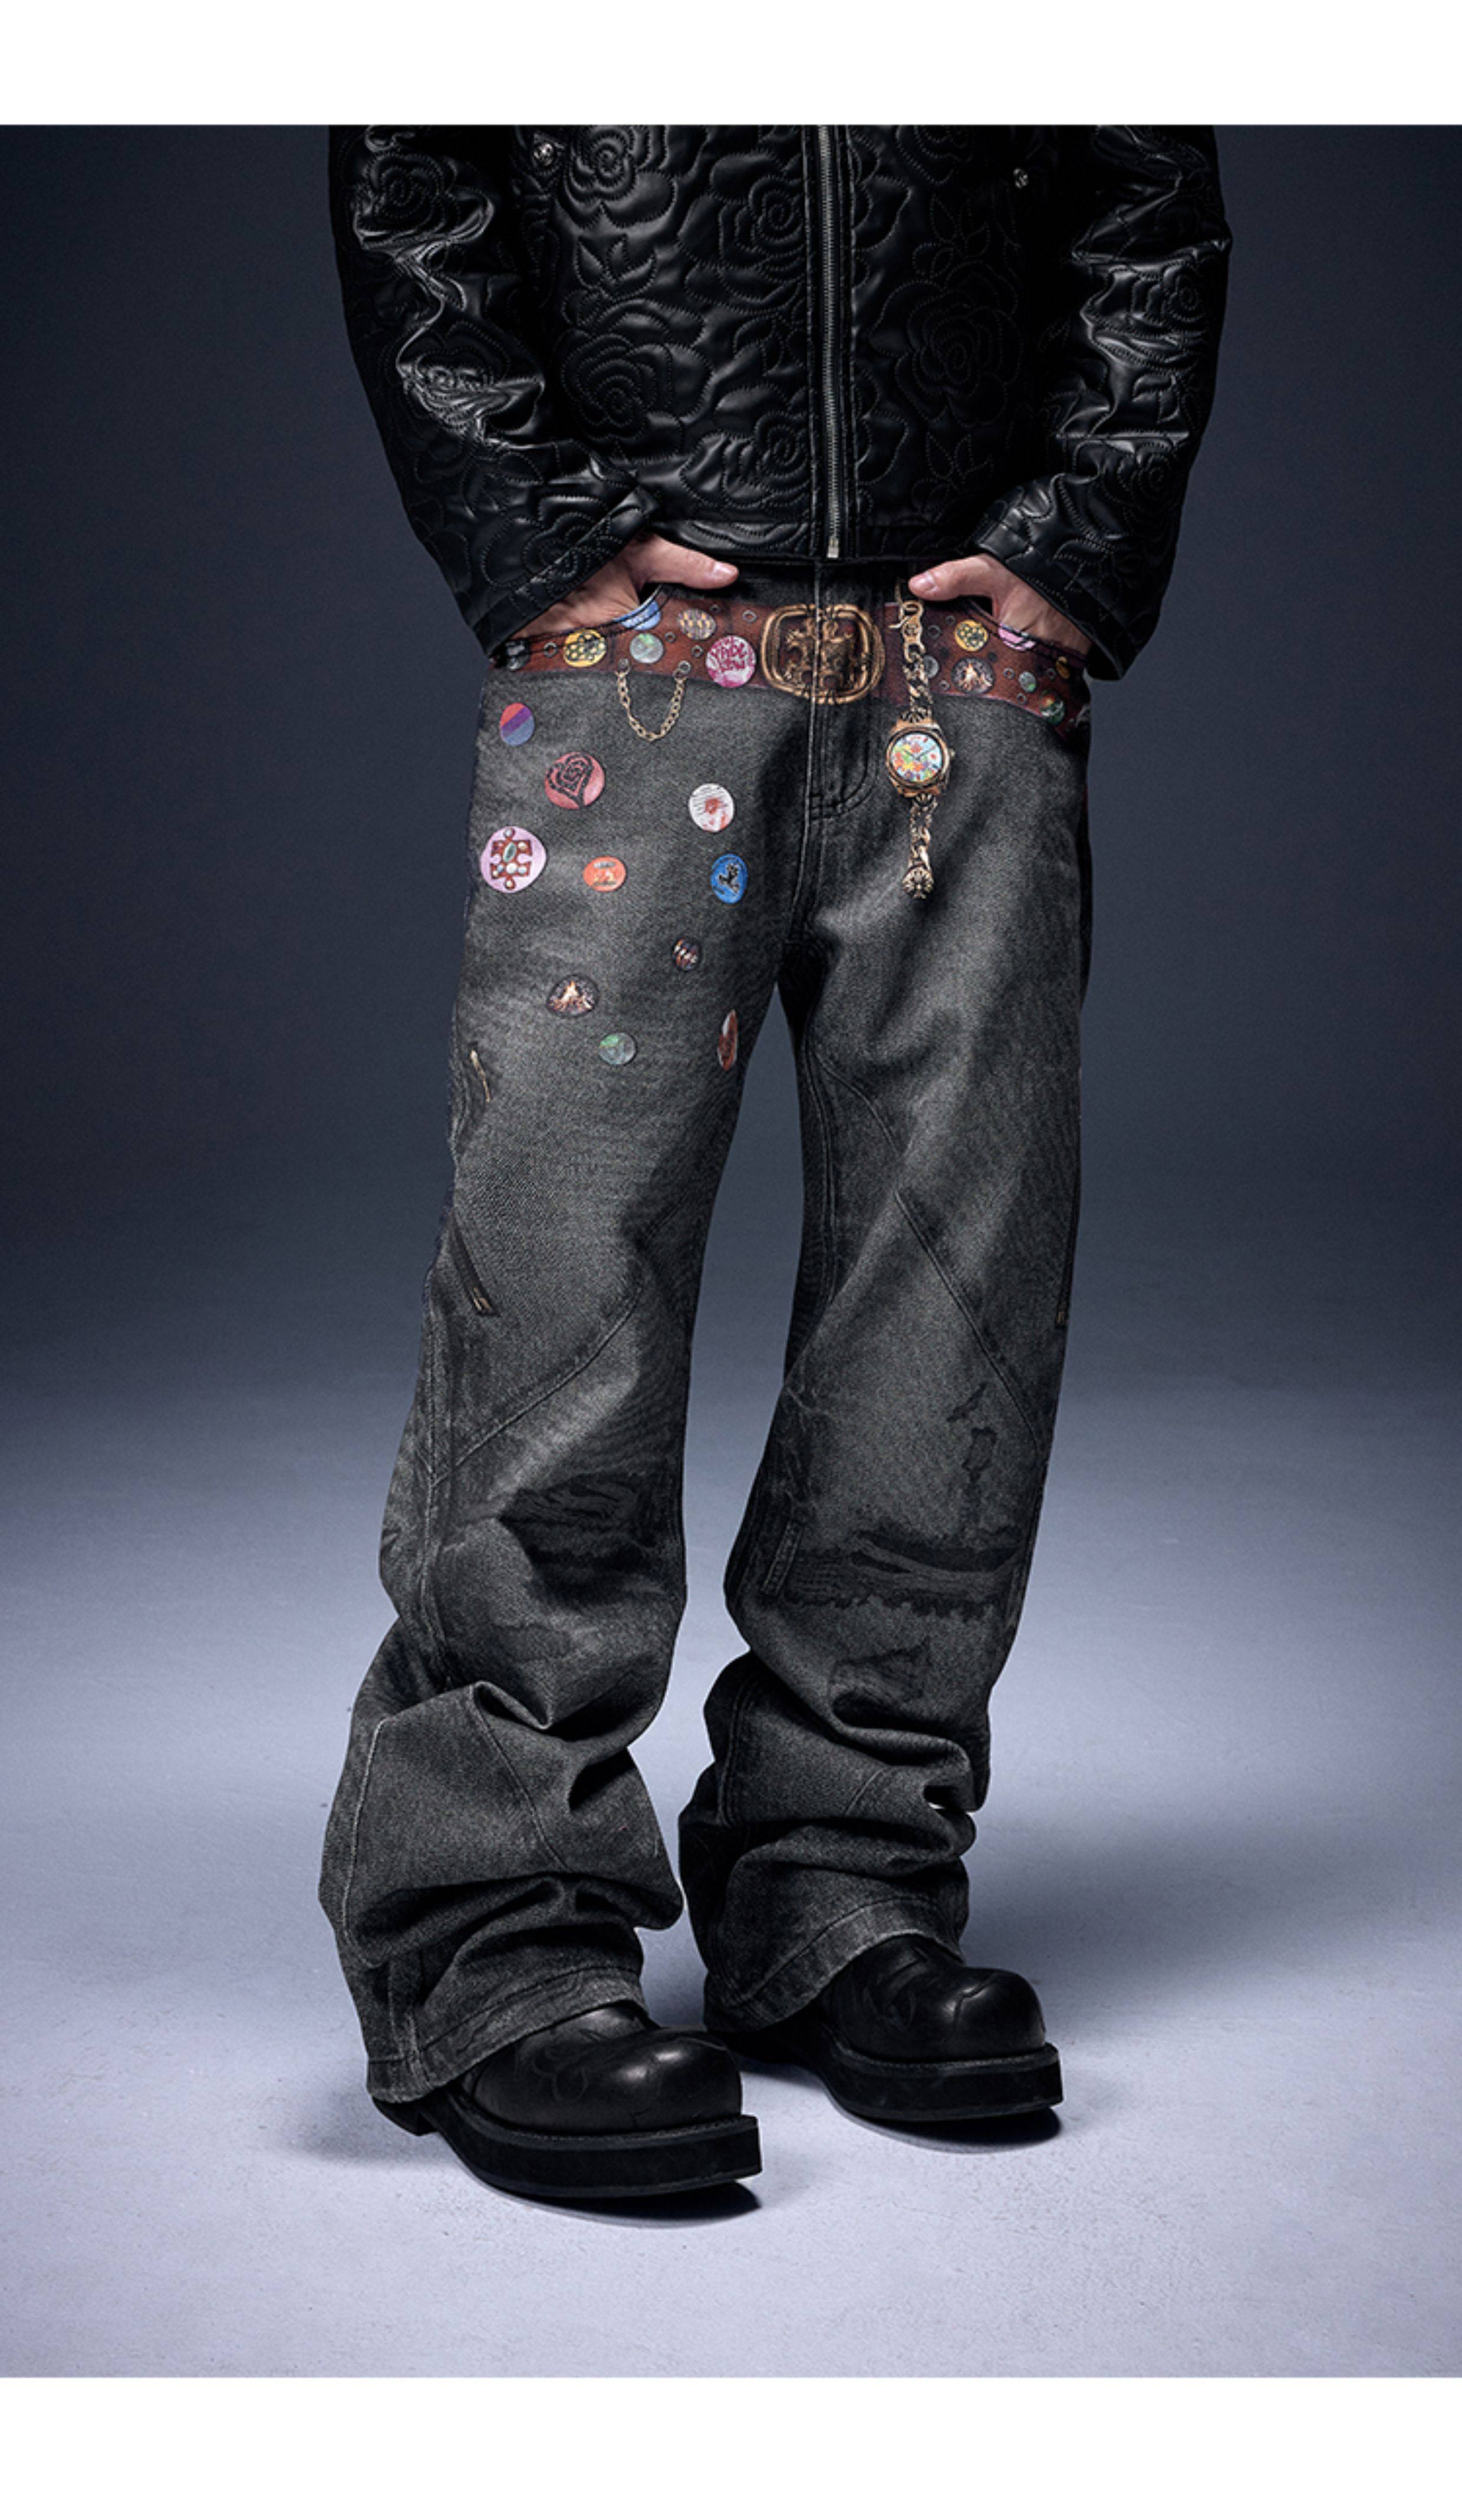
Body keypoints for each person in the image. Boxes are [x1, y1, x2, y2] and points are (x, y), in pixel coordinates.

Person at [318, 124, 1231, 2203]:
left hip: (968, 660)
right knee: (562, 1272)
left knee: (957, 1290)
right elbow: (408, 150)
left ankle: (845, 1881)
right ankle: (492, 1930)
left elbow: (1150, 176)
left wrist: (1085, 531)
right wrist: (531, 523)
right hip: (638, 648)